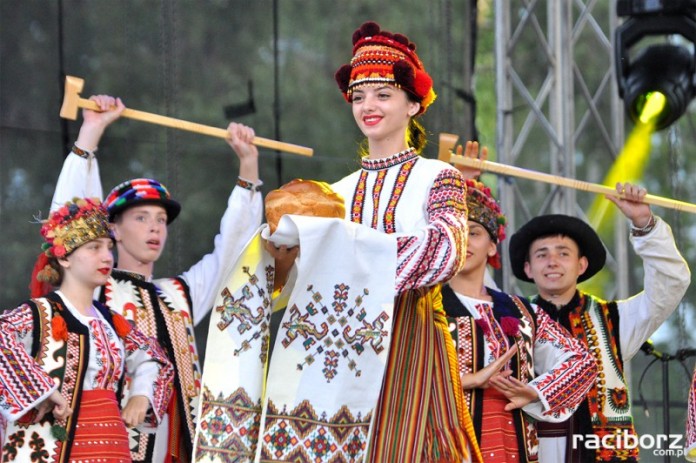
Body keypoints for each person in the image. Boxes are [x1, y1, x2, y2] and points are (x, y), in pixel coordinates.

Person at [193, 20, 480, 463]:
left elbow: (447, 251)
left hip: (410, 341)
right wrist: (281, 261)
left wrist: (347, 252)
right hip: (336, 352)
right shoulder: (334, 194)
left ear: (413, 104)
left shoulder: (437, 176)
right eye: (360, 95)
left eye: (383, 94)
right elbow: (291, 287)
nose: (369, 105)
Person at [49, 96, 263, 463]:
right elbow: (71, 217)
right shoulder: (95, 288)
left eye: (161, 220)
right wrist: (91, 132)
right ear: (112, 229)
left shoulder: (178, 293)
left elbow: (232, 251)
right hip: (108, 442)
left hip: (177, 445)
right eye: (141, 218)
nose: (154, 228)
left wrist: (248, 166)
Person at [508, 183, 691, 462]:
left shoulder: (614, 319)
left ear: (581, 266)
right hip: (535, 450)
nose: (552, 262)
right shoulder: (510, 318)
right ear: (528, 268)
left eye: (563, 253)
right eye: (542, 254)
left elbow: (670, 283)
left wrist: (644, 223)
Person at [1, 198, 174, 463]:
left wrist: (141, 393)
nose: (107, 256)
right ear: (64, 258)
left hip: (110, 445)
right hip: (50, 449)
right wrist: (41, 390)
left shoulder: (111, 319)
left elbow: (156, 358)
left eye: (108, 247)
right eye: (94, 248)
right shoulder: (38, 313)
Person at [443, 179, 597, 463]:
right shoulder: (424, 306)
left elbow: (582, 362)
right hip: (447, 443)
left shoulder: (523, 311)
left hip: (513, 444)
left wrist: (536, 391)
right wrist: (466, 381)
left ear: (492, 247)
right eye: (456, 232)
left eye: (474, 233)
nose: (464, 240)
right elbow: (390, 372)